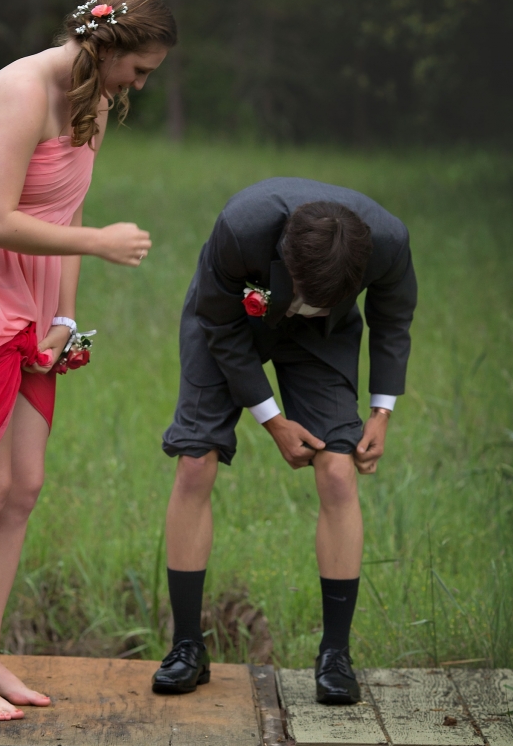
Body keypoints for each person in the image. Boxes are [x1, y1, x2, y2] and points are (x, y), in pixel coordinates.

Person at [0, 0, 176, 720]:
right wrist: (100, 245)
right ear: (107, 48)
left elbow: (67, 206)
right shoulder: (21, 92)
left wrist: (63, 313)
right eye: (139, 70)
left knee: (23, 484)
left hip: (29, 299)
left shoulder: (94, 103)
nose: (140, 86)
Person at [153, 178, 417, 703]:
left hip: (322, 341)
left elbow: (393, 320)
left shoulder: (389, 243)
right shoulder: (242, 228)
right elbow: (221, 329)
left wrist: (381, 412)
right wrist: (272, 419)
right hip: (229, 320)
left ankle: (335, 656)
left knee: (339, 470)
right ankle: (186, 647)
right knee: (195, 461)